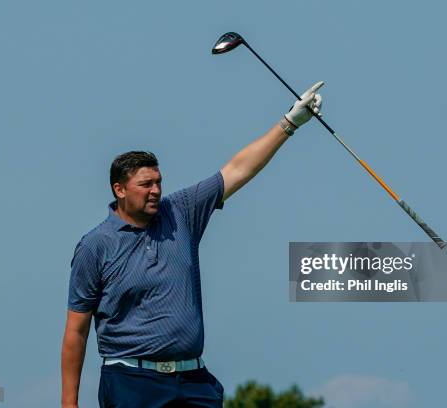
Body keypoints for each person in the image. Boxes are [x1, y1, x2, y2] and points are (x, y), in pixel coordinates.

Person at [61, 81, 324, 408]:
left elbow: (238, 169)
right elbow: (76, 332)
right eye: (145, 184)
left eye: (158, 182)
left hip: (193, 383)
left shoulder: (181, 211)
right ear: (120, 189)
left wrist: (290, 123)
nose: (155, 190)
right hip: (131, 383)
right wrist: (69, 404)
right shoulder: (95, 245)